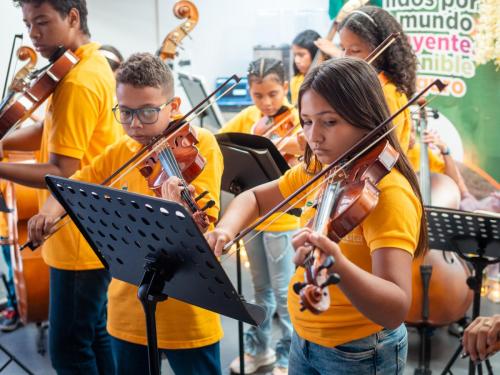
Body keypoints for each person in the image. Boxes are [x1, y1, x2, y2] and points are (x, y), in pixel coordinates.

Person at [208, 57, 427, 375]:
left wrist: (338, 265)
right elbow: (253, 197)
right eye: (307, 121)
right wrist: (225, 231)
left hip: (360, 352)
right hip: (304, 340)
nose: (314, 137)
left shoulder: (389, 194)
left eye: (329, 122)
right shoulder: (322, 168)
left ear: (366, 117)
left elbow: (395, 308)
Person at [28, 52, 224, 375]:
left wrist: (177, 204)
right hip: (125, 307)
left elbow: (202, 225)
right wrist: (49, 213)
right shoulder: (121, 151)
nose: (134, 124)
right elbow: (74, 184)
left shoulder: (200, 145)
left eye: (148, 112)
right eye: (126, 113)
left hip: (187, 310)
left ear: (174, 107)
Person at [2, 0, 123, 372]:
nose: (33, 34)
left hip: (76, 233)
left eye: (41, 22)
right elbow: (47, 131)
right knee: (93, 334)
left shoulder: (78, 80)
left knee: (69, 350)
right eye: (27, 23)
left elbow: (61, 169)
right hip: (92, 227)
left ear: (72, 17)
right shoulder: (83, 64)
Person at [219, 57, 300, 375]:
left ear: (286, 88)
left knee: (283, 293)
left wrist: (288, 146)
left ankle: (287, 356)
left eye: (273, 94)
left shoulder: (299, 120)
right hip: (253, 219)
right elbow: (217, 146)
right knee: (261, 290)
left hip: (283, 221)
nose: (266, 103)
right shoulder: (247, 118)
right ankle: (260, 348)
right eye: (258, 95)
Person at [316, 6, 417, 152]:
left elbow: (377, 153)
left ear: (380, 50)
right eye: (343, 48)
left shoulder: (386, 94)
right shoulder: (365, 88)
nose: (345, 57)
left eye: (355, 51)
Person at [290, 30, 320, 105]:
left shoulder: (324, 80)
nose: (296, 60)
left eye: (301, 55)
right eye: (295, 55)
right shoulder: (295, 80)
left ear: (314, 53)